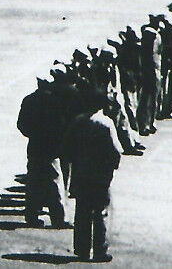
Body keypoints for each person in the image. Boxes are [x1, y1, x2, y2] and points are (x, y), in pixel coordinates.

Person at [63, 88, 124, 262]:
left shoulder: (78, 122)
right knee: (100, 213)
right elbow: (116, 151)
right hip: (100, 176)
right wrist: (112, 168)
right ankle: (99, 250)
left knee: (82, 212)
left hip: (81, 173)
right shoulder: (106, 123)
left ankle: (81, 249)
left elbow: (66, 148)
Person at [18, 77, 68, 229]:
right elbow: (62, 125)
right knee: (55, 184)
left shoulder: (29, 100)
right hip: (52, 149)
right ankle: (58, 218)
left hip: (34, 147)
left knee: (33, 183)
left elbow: (21, 125)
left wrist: (34, 134)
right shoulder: (56, 102)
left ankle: (31, 216)